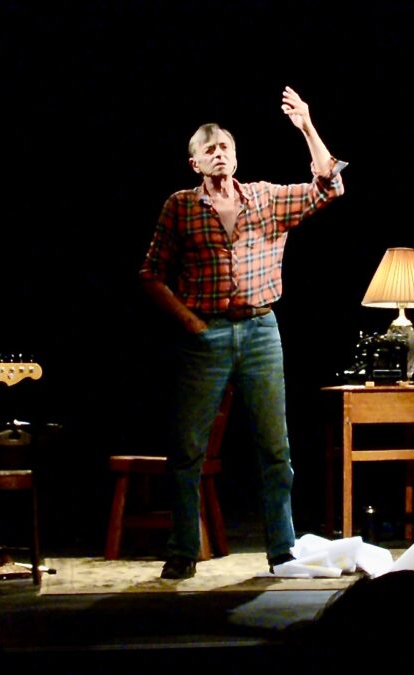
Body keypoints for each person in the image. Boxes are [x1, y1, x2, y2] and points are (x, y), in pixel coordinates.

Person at [139, 86, 347, 579]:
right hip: (205, 335)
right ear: (194, 163)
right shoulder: (180, 206)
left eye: (225, 147)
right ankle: (183, 550)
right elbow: (150, 274)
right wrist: (189, 321)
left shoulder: (266, 198)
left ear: (236, 156)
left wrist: (306, 126)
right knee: (187, 449)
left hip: (260, 331)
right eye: (209, 149)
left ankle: (282, 551)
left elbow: (329, 186)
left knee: (275, 448)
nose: (219, 153)